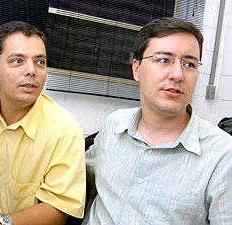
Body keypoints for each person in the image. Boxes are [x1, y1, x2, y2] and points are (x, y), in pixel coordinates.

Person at [83, 17, 232, 225]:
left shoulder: (223, 154)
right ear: (136, 68)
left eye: (189, 63)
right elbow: (74, 173)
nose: (178, 74)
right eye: (164, 59)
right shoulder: (114, 125)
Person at [0, 21, 86, 225]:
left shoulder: (65, 130)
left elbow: (57, 211)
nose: (31, 71)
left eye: (40, 62)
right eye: (17, 61)